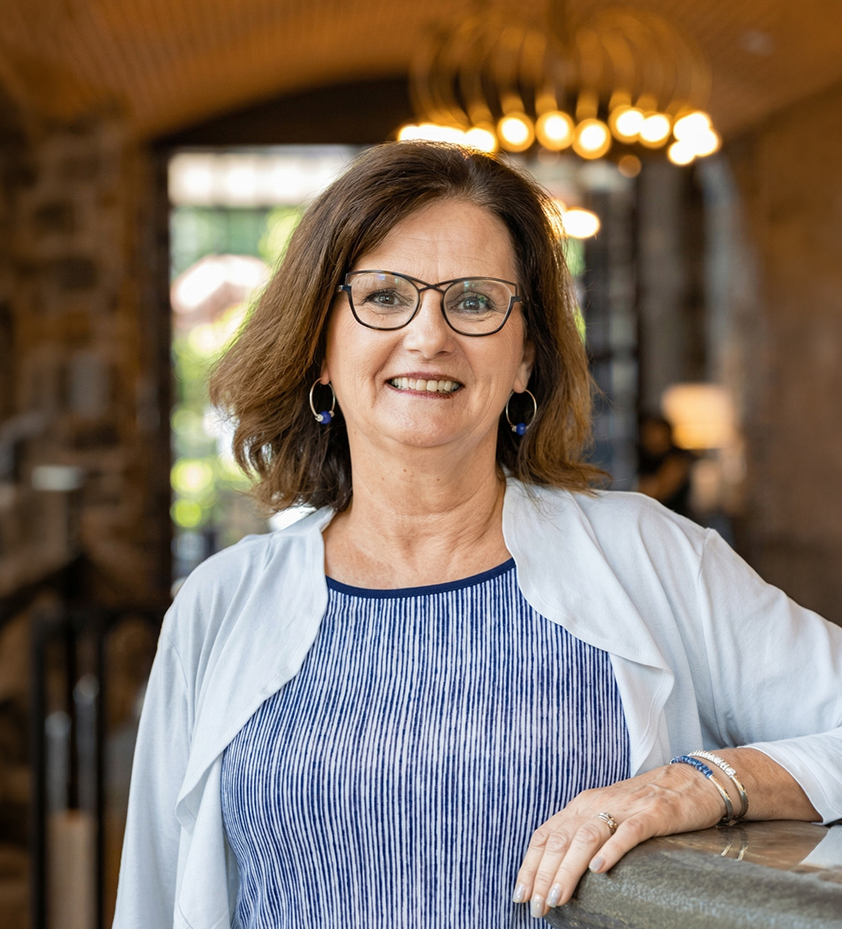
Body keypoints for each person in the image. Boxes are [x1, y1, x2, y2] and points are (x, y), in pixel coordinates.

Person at [113, 142, 842, 929]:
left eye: (473, 301)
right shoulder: (221, 604)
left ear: (525, 353)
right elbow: (153, 897)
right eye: (384, 296)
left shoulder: (649, 555)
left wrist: (703, 782)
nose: (429, 336)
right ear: (321, 346)